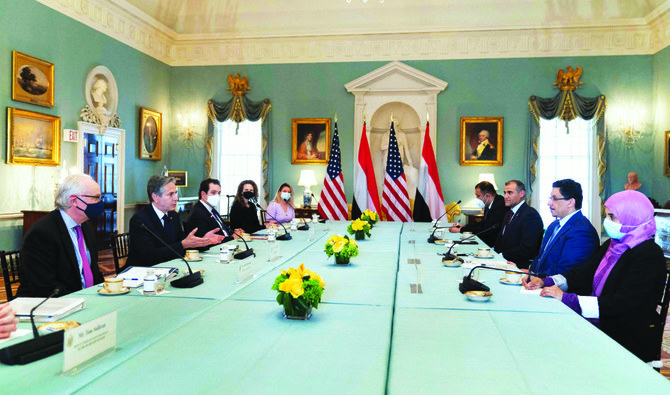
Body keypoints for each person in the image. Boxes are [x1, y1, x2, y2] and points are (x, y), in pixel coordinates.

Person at [524, 190, 666, 362]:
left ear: (632, 217)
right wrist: (547, 281)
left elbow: (623, 302)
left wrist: (569, 299)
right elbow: (584, 273)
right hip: (603, 321)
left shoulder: (648, 254)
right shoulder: (613, 244)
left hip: (626, 336)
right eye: (606, 216)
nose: (607, 222)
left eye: (612, 217)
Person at [16, 174, 105, 297]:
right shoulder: (42, 233)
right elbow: (45, 287)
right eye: (96, 197)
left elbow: (93, 272)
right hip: (52, 306)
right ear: (74, 201)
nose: (99, 202)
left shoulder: (85, 226)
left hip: (87, 300)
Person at [125, 176, 224, 269]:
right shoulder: (140, 220)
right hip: (143, 271)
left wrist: (202, 241)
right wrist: (183, 244)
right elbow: (150, 256)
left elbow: (184, 242)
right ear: (155, 197)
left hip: (170, 267)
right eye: (170, 194)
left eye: (175, 193)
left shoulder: (173, 215)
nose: (176, 198)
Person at [529, 179, 599, 276]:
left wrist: (536, 278)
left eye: (554, 198)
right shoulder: (554, 225)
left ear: (570, 202)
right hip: (540, 284)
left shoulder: (581, 231)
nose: (549, 203)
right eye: (550, 198)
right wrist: (528, 272)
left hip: (558, 289)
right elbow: (541, 258)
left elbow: (566, 270)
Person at [493, 180, 543, 269]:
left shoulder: (530, 215)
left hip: (518, 266)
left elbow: (527, 248)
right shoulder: (508, 214)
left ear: (521, 193)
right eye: (504, 193)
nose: (505, 196)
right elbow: (502, 240)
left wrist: (502, 255)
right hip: (501, 262)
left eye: (510, 193)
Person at [449, 181, 508, 247]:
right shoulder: (488, 204)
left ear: (487, 195)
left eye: (478, 196)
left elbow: (486, 229)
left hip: (494, 245)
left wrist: (460, 230)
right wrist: (464, 226)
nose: (476, 198)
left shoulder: (500, 206)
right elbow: (483, 224)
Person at [186, 178, 237, 242]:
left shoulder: (212, 210)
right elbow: (206, 240)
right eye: (213, 193)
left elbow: (222, 231)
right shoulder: (198, 213)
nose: (217, 196)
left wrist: (233, 234)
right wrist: (232, 238)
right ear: (203, 194)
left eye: (219, 193)